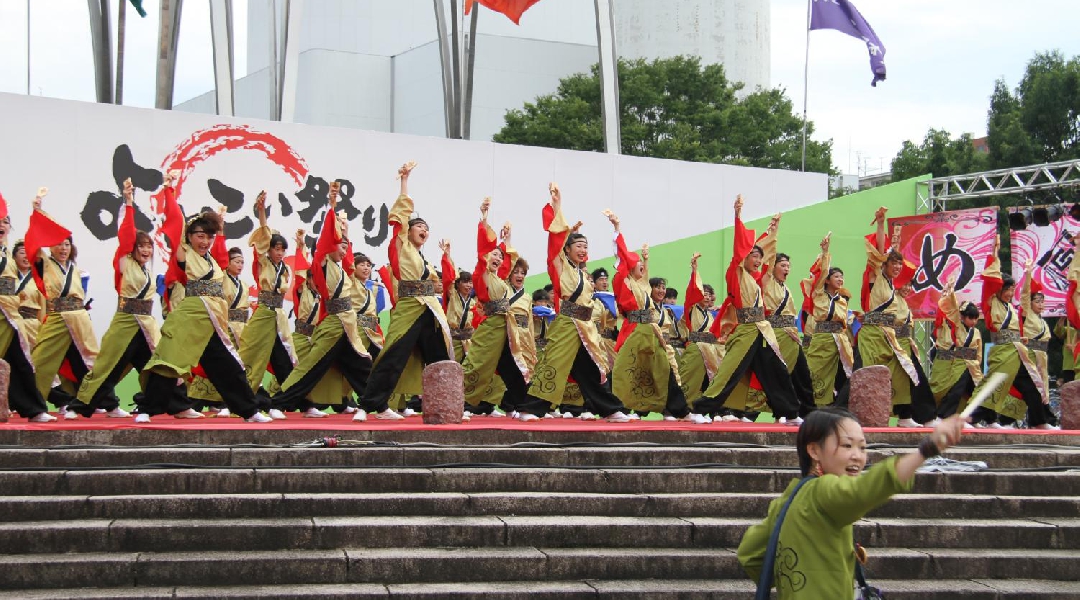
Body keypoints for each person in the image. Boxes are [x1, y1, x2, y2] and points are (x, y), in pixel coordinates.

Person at [738, 408, 966, 599]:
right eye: (847, 446)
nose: (857, 456)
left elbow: (749, 552)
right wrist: (927, 449)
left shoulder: (790, 497)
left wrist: (796, 580)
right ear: (814, 450)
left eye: (863, 447)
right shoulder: (823, 490)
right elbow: (864, 491)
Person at [137, 173, 270, 423]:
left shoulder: (214, 261)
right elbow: (175, 221)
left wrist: (227, 221)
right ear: (189, 236)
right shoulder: (183, 252)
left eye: (209, 237)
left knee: (228, 367)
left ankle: (249, 411)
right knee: (169, 362)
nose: (205, 241)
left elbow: (220, 243)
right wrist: (168, 190)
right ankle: (147, 409)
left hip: (213, 321)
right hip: (191, 316)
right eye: (200, 236)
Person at [520, 184, 631, 423]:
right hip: (568, 323)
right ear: (567, 250)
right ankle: (531, 408)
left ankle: (610, 408)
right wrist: (558, 206)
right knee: (554, 364)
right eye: (578, 246)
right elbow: (555, 241)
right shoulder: (560, 266)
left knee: (591, 368)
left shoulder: (582, 273)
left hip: (585, 326)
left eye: (586, 246)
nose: (583, 250)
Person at [691, 195, 800, 424]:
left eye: (760, 257)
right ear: (744, 258)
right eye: (754, 256)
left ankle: (789, 413)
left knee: (776, 372)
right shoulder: (736, 273)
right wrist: (738, 216)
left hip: (761, 331)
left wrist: (773, 230)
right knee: (727, 373)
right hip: (746, 331)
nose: (759, 260)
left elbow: (770, 253)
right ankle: (700, 410)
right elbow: (739, 246)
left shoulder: (755, 279)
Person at [271, 182, 375, 419]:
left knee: (360, 365)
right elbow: (328, 239)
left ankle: (375, 404)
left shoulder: (339, 268)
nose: (343, 249)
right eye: (339, 244)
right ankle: (278, 403)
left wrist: (346, 232)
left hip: (346, 323)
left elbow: (348, 257)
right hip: (334, 323)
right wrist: (332, 205)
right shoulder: (322, 263)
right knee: (311, 367)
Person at [359, 162, 451, 420]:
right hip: (409, 307)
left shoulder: (424, 260)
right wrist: (404, 182)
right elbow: (400, 217)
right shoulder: (401, 246)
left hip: (428, 309)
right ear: (407, 231)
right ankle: (371, 406)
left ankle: (447, 406)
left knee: (439, 358)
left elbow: (442, 282)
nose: (424, 230)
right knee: (393, 355)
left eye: (426, 228)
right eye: (419, 226)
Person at [27, 188, 126, 418]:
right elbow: (33, 244)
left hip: (79, 318)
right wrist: (37, 212)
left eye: (67, 244)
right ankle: (34, 409)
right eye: (59, 244)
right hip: (57, 318)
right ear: (51, 247)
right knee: (41, 361)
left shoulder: (75, 269)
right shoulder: (45, 263)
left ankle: (109, 405)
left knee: (92, 362)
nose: (63, 248)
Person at [68, 179, 158, 419]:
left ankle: (172, 407)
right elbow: (127, 236)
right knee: (108, 366)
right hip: (126, 321)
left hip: (146, 325)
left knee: (158, 366)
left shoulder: (145, 270)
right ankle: (81, 406)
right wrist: (129, 203)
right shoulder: (124, 263)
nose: (146, 250)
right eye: (142, 246)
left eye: (149, 246)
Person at [606, 209, 698, 422]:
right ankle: (612, 407)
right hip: (634, 332)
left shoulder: (641, 286)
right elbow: (621, 256)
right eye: (637, 264)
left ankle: (679, 410)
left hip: (649, 331)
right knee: (623, 371)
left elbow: (644, 276)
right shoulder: (623, 281)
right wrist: (617, 230)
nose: (641, 266)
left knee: (663, 369)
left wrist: (645, 260)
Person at [849, 207, 932, 427]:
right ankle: (842, 417)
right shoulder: (875, 276)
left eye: (899, 264)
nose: (897, 267)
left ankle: (905, 416)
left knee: (905, 371)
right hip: (872, 337)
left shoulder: (892, 286)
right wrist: (880, 224)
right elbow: (879, 249)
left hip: (889, 336)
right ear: (883, 263)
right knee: (862, 377)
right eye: (893, 263)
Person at [461, 198, 535, 417]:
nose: (498, 257)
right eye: (494, 254)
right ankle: (461, 404)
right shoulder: (481, 273)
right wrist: (484, 218)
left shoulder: (499, 279)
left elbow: (508, 260)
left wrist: (506, 239)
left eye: (500, 256)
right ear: (486, 258)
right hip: (492, 326)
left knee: (512, 368)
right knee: (477, 364)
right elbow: (484, 250)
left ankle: (522, 408)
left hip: (505, 327)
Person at [972, 235, 1053, 429]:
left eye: (1011, 289)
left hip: (1017, 351)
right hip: (1003, 351)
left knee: (1031, 385)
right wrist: (995, 252)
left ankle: (1039, 421)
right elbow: (991, 280)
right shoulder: (991, 303)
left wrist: (1028, 273)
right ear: (998, 290)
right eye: (1006, 289)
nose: (1009, 293)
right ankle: (973, 417)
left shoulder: (1011, 309)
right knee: (995, 383)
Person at [239, 191, 300, 407]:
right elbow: (264, 237)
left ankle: (294, 400)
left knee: (284, 356)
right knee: (250, 352)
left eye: (283, 249)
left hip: (279, 315)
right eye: (277, 248)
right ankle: (240, 395)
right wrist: (262, 212)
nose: (280, 252)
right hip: (264, 311)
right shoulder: (264, 263)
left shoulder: (284, 269)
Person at [0, 191, 53, 422]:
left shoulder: (8, 255)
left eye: (5, 222)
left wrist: (38, 212)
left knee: (22, 364)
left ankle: (34, 410)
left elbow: (34, 244)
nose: (2, 225)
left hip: (10, 317)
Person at [760, 214, 815, 418]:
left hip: (791, 336)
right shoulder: (767, 282)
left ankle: (809, 413)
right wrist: (774, 231)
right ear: (773, 266)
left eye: (788, 266)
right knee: (777, 376)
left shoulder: (786, 288)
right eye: (783, 265)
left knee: (801, 375)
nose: (787, 269)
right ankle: (757, 413)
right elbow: (768, 254)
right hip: (775, 336)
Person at [799, 232, 854, 409]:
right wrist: (825, 253)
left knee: (849, 374)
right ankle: (811, 409)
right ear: (828, 280)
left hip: (841, 340)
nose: (840, 279)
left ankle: (839, 407)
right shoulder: (819, 295)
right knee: (815, 375)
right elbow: (821, 272)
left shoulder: (842, 301)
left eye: (842, 277)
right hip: (822, 339)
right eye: (836, 276)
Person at [928, 276, 983, 424]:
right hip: (957, 364)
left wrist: (976, 365)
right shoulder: (956, 325)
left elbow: (978, 354)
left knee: (979, 392)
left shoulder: (976, 332)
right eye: (970, 318)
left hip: (971, 367)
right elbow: (951, 306)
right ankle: (943, 416)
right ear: (962, 317)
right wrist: (950, 292)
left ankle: (974, 419)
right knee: (954, 391)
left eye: (976, 318)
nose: (973, 321)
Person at [679, 255, 728, 412]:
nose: (706, 296)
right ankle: (684, 409)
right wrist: (694, 270)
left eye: (708, 294)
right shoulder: (692, 309)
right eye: (703, 293)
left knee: (711, 383)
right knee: (691, 380)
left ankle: (710, 411)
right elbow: (691, 292)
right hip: (697, 349)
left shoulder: (709, 314)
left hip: (710, 351)